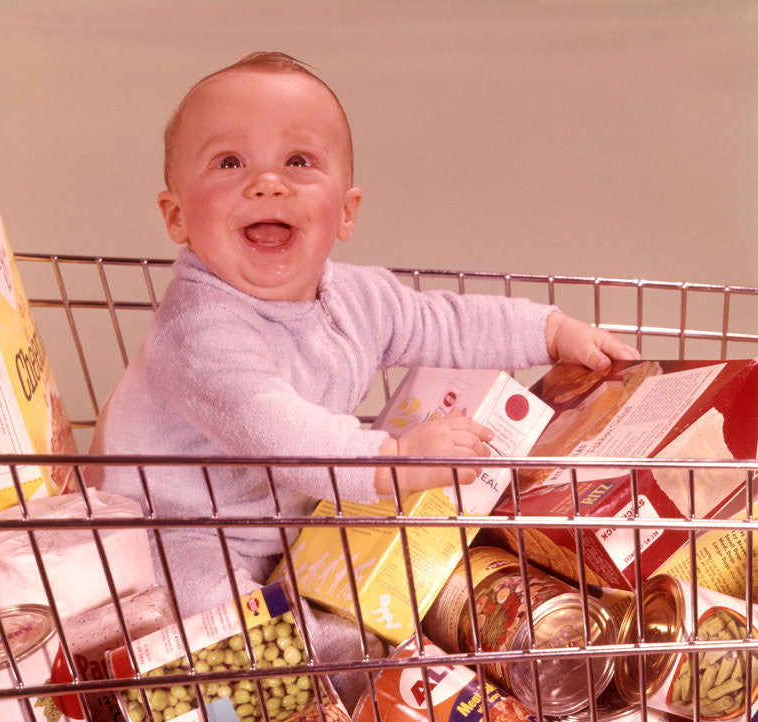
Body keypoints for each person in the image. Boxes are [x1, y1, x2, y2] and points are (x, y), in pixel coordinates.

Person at [88, 51, 639, 660]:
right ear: (177, 216)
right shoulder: (198, 333)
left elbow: (443, 321)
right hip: (177, 532)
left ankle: (378, 673)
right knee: (248, 641)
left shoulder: (356, 296)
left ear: (346, 212)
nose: (267, 182)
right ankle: (329, 699)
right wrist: (395, 461)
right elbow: (275, 429)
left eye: (298, 161)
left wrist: (551, 330)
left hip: (290, 517)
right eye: (229, 162)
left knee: (390, 590)